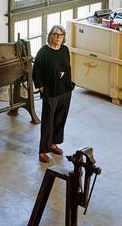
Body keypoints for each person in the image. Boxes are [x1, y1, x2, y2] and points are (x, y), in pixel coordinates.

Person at [32, 25, 75, 163]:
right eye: (56, 35)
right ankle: (43, 150)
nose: (58, 38)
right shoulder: (43, 52)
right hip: (51, 92)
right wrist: (41, 87)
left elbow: (67, 68)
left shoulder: (65, 50)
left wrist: (69, 83)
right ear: (51, 35)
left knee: (59, 119)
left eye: (61, 35)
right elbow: (36, 72)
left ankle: (53, 143)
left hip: (65, 90)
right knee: (48, 122)